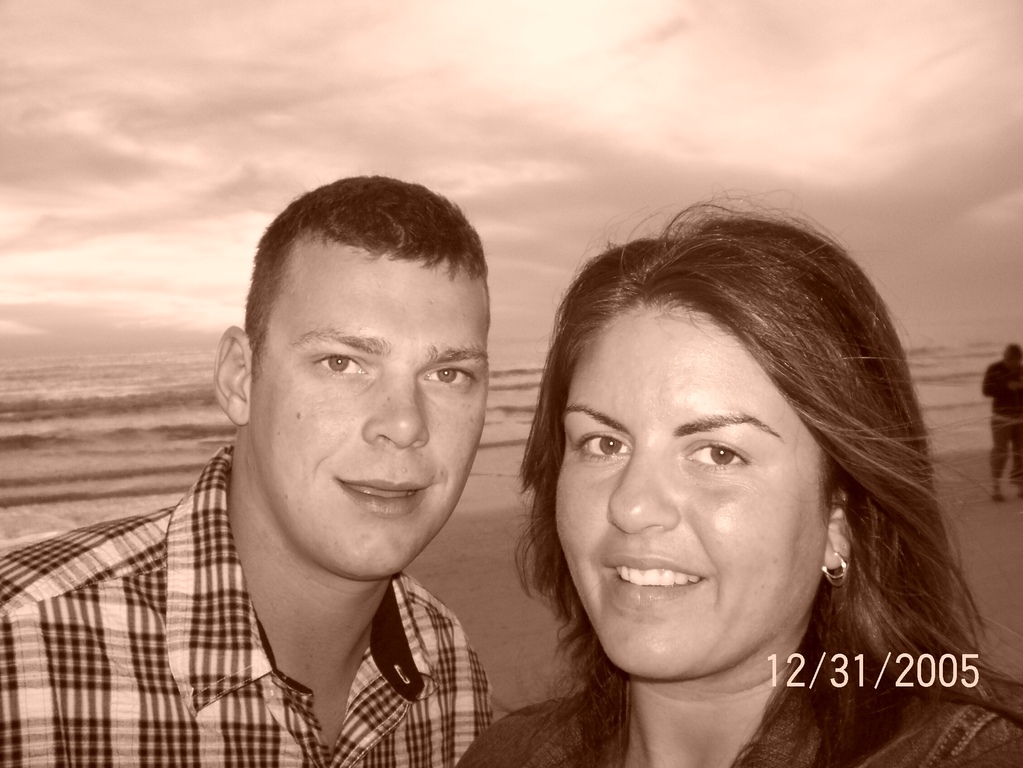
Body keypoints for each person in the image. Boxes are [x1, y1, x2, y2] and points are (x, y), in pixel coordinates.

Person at [459, 204, 1023, 767]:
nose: (631, 506)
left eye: (718, 453)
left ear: (840, 520)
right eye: (604, 444)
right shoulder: (504, 756)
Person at [0, 176, 493, 766]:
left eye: (448, 375)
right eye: (342, 363)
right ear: (240, 378)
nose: (406, 424)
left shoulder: (450, 672)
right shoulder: (21, 653)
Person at [982, 344, 1023, 502]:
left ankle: (1020, 486)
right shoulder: (994, 369)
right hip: (1001, 418)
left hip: (1020, 418)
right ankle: (996, 487)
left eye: (1015, 361)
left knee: (1020, 452)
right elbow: (986, 390)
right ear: (1006, 357)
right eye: (1009, 359)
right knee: (1000, 452)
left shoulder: (1021, 370)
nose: (1012, 363)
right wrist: (1006, 386)